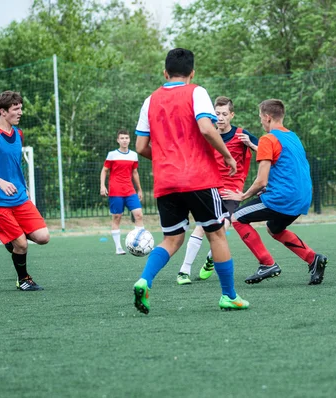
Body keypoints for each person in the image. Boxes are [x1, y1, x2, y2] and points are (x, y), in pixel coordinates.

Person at [133, 48, 249, 313]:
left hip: (166, 182)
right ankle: (229, 296)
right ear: (192, 73)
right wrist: (228, 156)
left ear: (165, 73)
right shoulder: (196, 91)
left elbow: (140, 146)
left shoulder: (150, 100)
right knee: (216, 233)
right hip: (199, 178)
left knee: (172, 239)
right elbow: (207, 128)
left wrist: (165, 160)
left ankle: (144, 280)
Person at [222, 99, 328, 285]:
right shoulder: (293, 137)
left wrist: (244, 195)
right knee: (274, 228)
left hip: (282, 198)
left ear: (267, 117)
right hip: (302, 198)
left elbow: (261, 180)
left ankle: (267, 264)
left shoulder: (267, 139)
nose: (261, 122)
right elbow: (286, 167)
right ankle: (313, 259)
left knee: (237, 217)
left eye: (260, 118)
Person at [0, 90, 50, 291]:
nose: (20, 112)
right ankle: (23, 279)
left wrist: (25, 188)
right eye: (16, 109)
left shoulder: (19, 134)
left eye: (21, 108)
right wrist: (0, 182)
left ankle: (11, 239)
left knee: (43, 237)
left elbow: (14, 165)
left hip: (19, 198)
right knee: (22, 245)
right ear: (3, 111)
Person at [176, 96, 258, 285]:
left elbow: (267, 154)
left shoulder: (241, 135)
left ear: (231, 115)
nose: (220, 118)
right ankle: (184, 271)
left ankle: (211, 259)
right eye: (217, 114)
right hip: (210, 187)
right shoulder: (208, 134)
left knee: (223, 227)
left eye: (224, 114)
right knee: (201, 227)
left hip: (231, 190)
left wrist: (251, 145)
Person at [100, 130, 145, 255]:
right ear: (118, 140)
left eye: (126, 138)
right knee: (117, 217)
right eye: (122, 138)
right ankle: (118, 248)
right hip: (115, 191)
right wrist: (102, 186)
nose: (124, 140)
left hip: (130, 190)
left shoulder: (134, 155)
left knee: (139, 215)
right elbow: (104, 170)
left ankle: (139, 243)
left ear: (129, 140)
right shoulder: (112, 155)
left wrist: (139, 189)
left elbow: (135, 173)